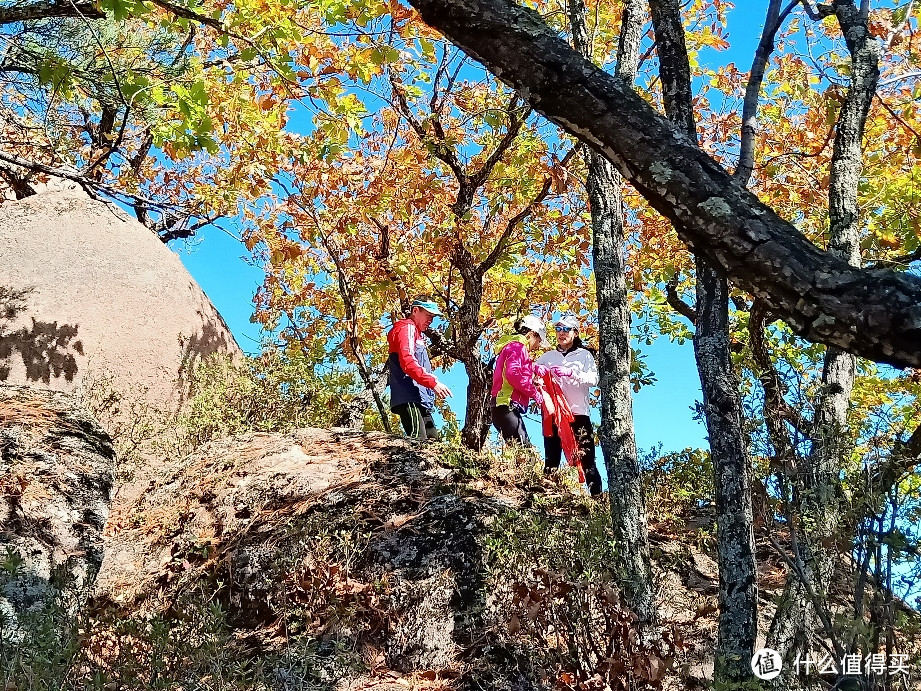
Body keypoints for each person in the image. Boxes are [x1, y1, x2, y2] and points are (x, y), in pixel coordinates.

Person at [536, 314, 604, 496]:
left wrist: (571, 373)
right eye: (558, 329)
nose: (561, 333)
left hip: (578, 413)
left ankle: (597, 500)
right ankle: (547, 498)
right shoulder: (547, 356)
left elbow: (594, 379)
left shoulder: (584, 355)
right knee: (551, 457)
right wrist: (538, 375)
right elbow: (532, 375)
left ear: (575, 333)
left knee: (587, 458)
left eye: (566, 329)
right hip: (554, 414)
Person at [387, 297, 452, 441]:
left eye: (433, 317)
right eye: (428, 315)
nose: (431, 320)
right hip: (409, 395)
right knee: (419, 441)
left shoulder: (417, 334)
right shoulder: (406, 327)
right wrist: (433, 383)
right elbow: (408, 361)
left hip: (419, 398)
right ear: (415, 310)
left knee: (433, 442)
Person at [490, 315, 548, 445]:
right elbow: (513, 375)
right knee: (525, 454)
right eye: (539, 341)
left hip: (502, 407)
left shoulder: (513, 347)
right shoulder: (518, 347)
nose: (538, 346)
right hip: (506, 405)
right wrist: (534, 393)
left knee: (519, 451)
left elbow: (513, 370)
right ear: (532, 334)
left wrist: (534, 368)